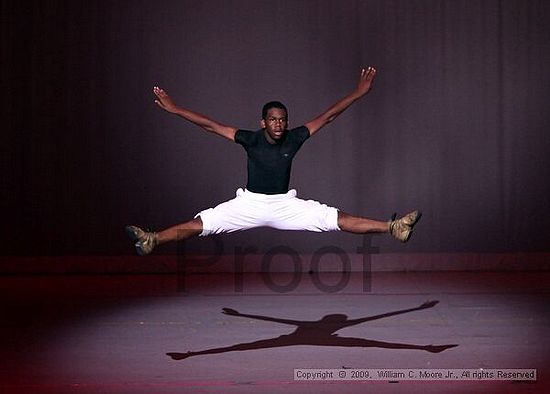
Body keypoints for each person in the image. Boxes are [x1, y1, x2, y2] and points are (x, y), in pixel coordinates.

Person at [126, 67, 421, 256]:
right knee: (201, 224)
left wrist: (358, 93)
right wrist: (175, 109)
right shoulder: (250, 139)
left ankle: (393, 227)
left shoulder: (295, 137)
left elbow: (329, 115)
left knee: (336, 220)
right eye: (272, 120)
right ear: (263, 122)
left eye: (282, 120)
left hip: (285, 205)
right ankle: (152, 239)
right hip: (249, 204)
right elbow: (211, 125)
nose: (278, 124)